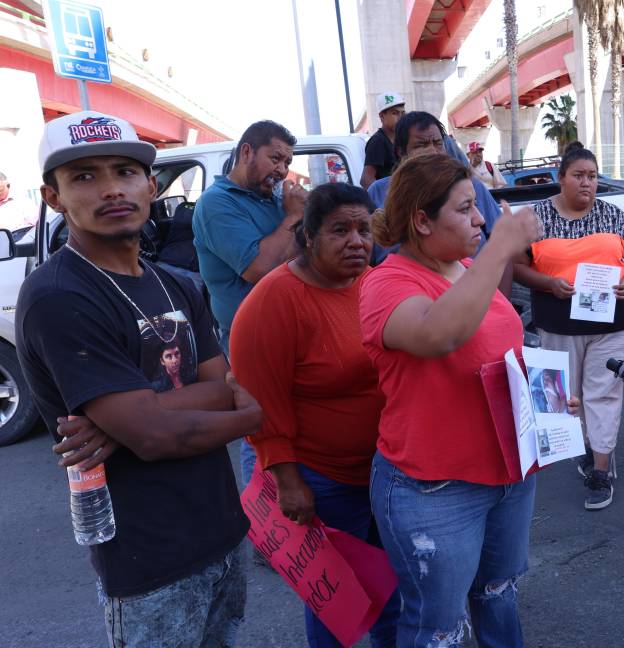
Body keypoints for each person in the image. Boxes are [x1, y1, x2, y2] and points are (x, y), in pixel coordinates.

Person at [16, 110, 262, 647]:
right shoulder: (61, 296)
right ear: (53, 197)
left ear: (151, 185)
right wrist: (253, 413)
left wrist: (131, 419)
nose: (111, 189)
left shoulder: (176, 282)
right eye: (84, 176)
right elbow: (158, 436)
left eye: (124, 171)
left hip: (224, 530)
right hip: (148, 560)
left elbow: (221, 386)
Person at [359, 154, 544, 647]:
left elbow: (498, 349)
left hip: (508, 470)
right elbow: (439, 335)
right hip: (436, 488)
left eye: (477, 207)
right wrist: (500, 249)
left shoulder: (465, 268)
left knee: (498, 593)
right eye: (466, 209)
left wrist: (545, 399)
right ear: (421, 220)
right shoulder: (387, 282)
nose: (481, 218)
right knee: (438, 626)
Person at [230, 183, 399, 647]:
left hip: (384, 472)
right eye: (339, 230)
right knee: (338, 605)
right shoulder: (273, 302)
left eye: (364, 229)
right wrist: (288, 482)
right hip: (320, 479)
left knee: (391, 591)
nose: (357, 241)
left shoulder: (372, 283)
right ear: (308, 237)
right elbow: (260, 403)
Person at [512, 146, 624, 510]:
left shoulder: (614, 216)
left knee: (603, 393)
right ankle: (587, 448)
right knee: (567, 397)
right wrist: (547, 284)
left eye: (592, 176)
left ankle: (600, 471)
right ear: (561, 177)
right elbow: (516, 266)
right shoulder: (537, 219)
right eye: (579, 175)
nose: (587, 182)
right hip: (558, 325)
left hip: (613, 324)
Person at [192, 119, 308, 485]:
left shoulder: (272, 199)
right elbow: (260, 268)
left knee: (295, 420)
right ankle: (266, 518)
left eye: (286, 161)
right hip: (252, 335)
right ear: (246, 151)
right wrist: (293, 216)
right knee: (261, 425)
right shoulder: (217, 204)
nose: (282, 169)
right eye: (275, 158)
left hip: (292, 327)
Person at [367, 112, 501, 240]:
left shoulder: (471, 186)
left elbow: (503, 239)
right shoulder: (378, 193)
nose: (433, 152)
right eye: (421, 145)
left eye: (438, 144)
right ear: (401, 153)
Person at [360, 92, 405, 189]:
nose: (401, 117)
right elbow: (366, 180)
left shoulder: (401, 138)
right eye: (395, 113)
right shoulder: (378, 141)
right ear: (382, 116)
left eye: (402, 113)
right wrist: (384, 201)